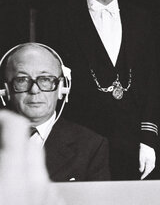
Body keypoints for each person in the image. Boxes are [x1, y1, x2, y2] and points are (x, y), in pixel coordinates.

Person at [39, 0, 158, 180]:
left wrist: (148, 139)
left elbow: (154, 81)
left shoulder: (141, 20)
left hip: (132, 143)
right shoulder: (62, 20)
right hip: (82, 143)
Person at [0, 43, 109, 181]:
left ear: (62, 88)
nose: (34, 90)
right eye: (22, 80)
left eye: (45, 79)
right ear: (7, 91)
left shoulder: (91, 147)